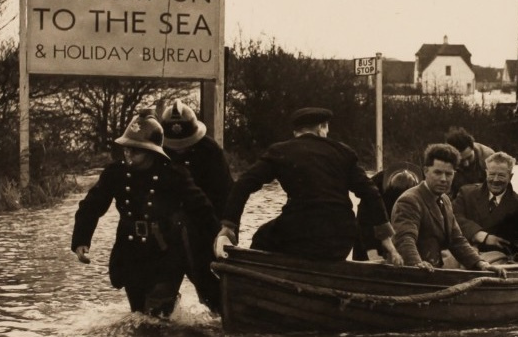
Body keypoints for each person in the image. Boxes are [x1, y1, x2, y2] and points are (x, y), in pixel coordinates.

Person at [71, 110, 219, 317]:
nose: (129, 155)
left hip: (166, 250)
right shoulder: (116, 173)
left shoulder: (173, 174)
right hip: (131, 251)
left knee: (157, 314)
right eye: (127, 149)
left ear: (151, 151)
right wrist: (81, 241)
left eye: (136, 151)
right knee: (139, 314)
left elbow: (202, 209)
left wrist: (218, 241)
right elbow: (91, 205)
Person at [215, 107, 402, 264]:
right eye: (326, 129)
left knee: (262, 238)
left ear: (296, 132)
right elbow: (371, 194)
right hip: (341, 237)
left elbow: (243, 184)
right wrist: (387, 241)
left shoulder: (280, 151)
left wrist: (229, 227)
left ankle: (263, 282)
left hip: (300, 233)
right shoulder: (343, 152)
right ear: (321, 127)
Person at [160, 99, 232, 314]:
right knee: (161, 287)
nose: (180, 151)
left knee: (209, 284)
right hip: (166, 228)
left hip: (204, 225)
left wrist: (223, 231)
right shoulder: (155, 150)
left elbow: (226, 193)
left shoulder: (210, 150)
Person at [391, 143, 505, 273]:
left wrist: (481, 264)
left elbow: (456, 240)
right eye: (438, 173)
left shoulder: (445, 200)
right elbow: (405, 239)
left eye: (449, 174)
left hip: (433, 272)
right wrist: (417, 264)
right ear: (425, 171)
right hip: (410, 275)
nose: (443, 179)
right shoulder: (410, 200)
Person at [452, 151, 518, 257]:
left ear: (510, 177)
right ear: (486, 173)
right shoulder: (466, 193)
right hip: (466, 254)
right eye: (492, 174)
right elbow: (453, 217)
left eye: (501, 175)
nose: (495, 180)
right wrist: (483, 236)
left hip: (501, 260)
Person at [352, 162, 421, 261]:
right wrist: (372, 251)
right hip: (371, 231)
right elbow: (364, 220)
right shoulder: (373, 188)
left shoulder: (424, 189)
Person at [443, 127, 494, 197]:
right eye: (460, 161)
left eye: (469, 158)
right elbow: (445, 194)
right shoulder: (444, 161)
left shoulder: (489, 158)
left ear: (473, 148)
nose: (466, 164)